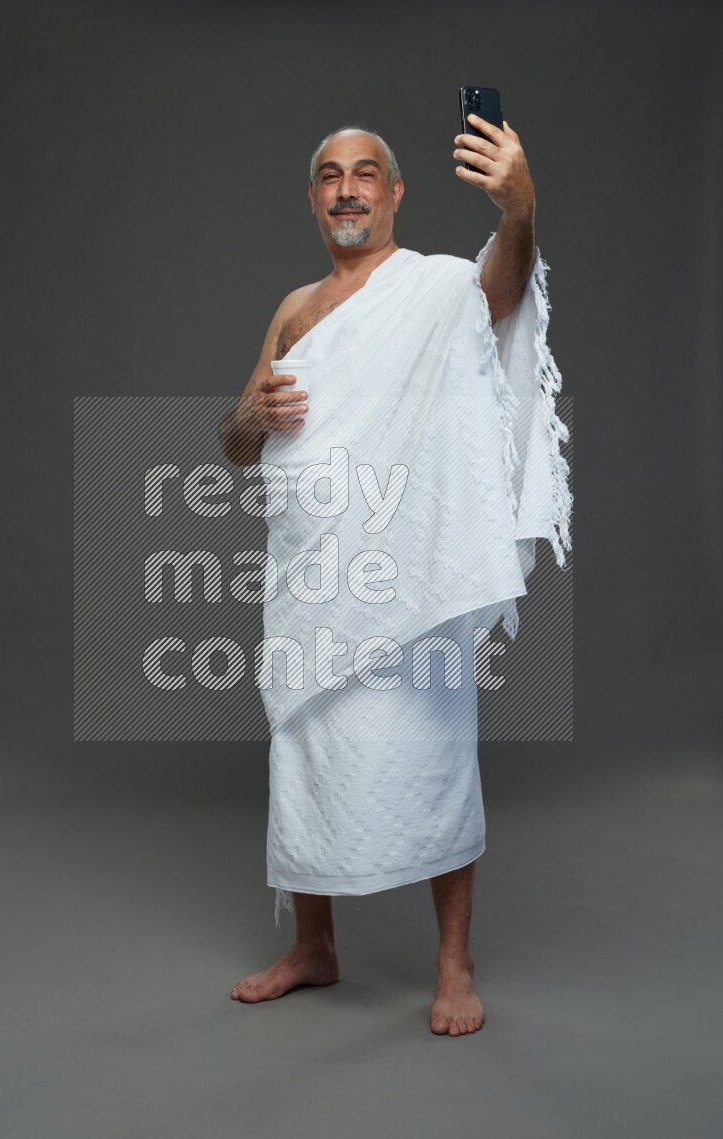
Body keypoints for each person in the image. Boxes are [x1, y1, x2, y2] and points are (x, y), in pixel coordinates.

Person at [218, 116, 568, 1036]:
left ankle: (455, 963)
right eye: (330, 175)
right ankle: (313, 946)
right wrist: (246, 410)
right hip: (310, 572)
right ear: (312, 196)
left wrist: (518, 204)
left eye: (366, 174)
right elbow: (240, 448)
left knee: (434, 754)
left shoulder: (439, 286)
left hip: (411, 573)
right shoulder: (293, 308)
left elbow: (507, 285)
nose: (347, 189)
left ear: (395, 193)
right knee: (304, 751)